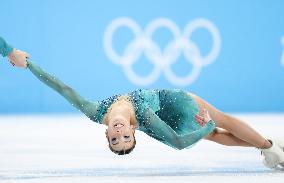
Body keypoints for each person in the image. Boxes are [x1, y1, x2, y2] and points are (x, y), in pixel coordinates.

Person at [1, 37, 284, 169]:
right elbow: (179, 143)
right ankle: (270, 147)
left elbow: (61, 87)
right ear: (133, 132)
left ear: (107, 134)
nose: (120, 133)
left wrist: (30, 65)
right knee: (218, 124)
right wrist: (205, 124)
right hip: (180, 106)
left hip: (172, 112)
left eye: (115, 139)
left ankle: (269, 146)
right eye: (126, 138)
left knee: (217, 133)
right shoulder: (144, 119)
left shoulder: (94, 112)